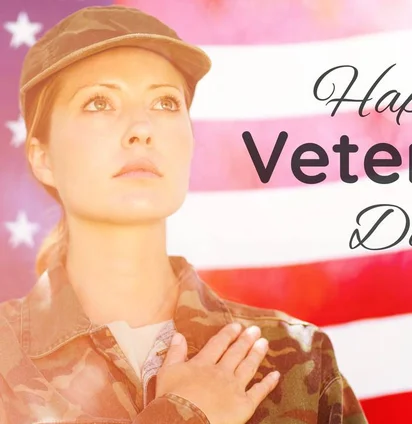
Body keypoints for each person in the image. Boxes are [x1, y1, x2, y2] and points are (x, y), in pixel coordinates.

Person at [0, 5, 368, 424]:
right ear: (42, 156)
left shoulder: (293, 358)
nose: (142, 127)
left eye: (165, 102)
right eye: (99, 102)